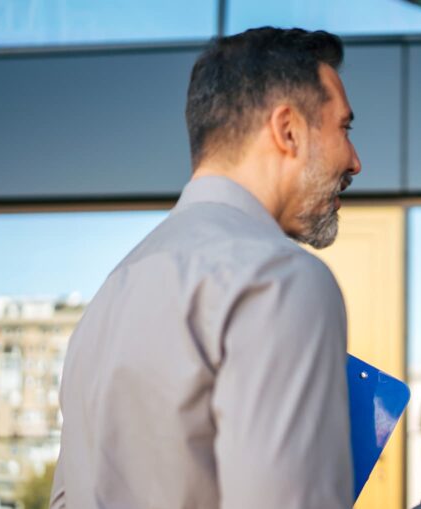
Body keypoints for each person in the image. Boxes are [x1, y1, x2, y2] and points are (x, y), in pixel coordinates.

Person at [49, 27, 363, 508]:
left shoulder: (105, 304)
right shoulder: (278, 279)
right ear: (288, 130)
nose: (355, 161)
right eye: (344, 128)